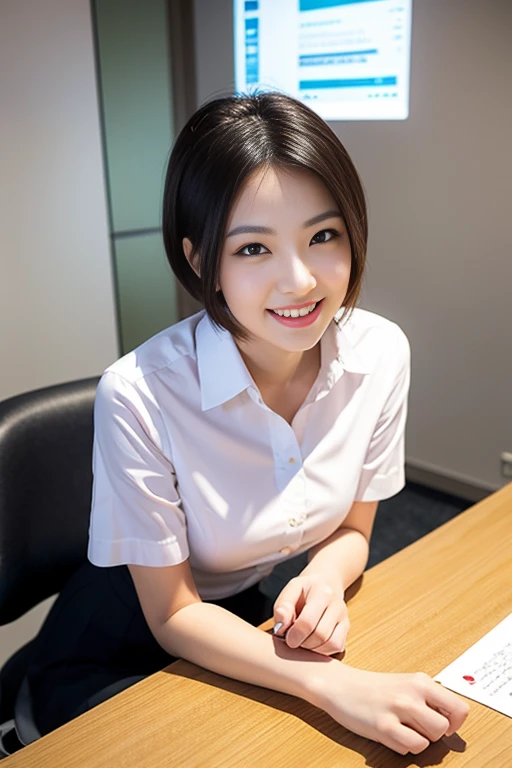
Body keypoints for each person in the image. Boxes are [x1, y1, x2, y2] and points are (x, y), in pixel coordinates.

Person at [25, 91, 468, 755]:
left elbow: (353, 528)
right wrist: (335, 685)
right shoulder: (140, 394)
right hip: (124, 643)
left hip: (246, 618)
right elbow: (174, 614)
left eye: (323, 236)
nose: (299, 281)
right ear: (202, 260)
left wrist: (323, 576)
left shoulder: (380, 354)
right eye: (254, 248)